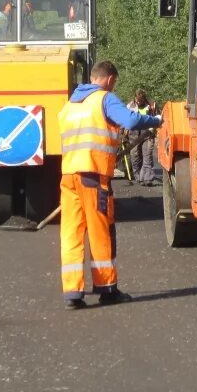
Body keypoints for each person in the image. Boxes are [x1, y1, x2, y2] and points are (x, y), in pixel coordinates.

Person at [57, 61, 162, 310]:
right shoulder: (104, 99)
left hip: (68, 176)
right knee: (100, 231)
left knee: (71, 234)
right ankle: (107, 289)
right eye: (113, 82)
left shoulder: (70, 105)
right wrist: (155, 120)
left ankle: (72, 293)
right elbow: (131, 120)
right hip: (92, 176)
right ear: (109, 79)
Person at [125, 89, 158, 187]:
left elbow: (158, 117)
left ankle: (147, 178)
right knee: (135, 157)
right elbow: (125, 119)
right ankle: (138, 176)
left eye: (141, 100)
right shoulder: (129, 106)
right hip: (133, 134)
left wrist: (154, 127)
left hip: (147, 134)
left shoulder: (151, 106)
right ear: (135, 98)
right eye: (138, 100)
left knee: (147, 156)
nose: (140, 102)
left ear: (144, 99)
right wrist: (124, 130)